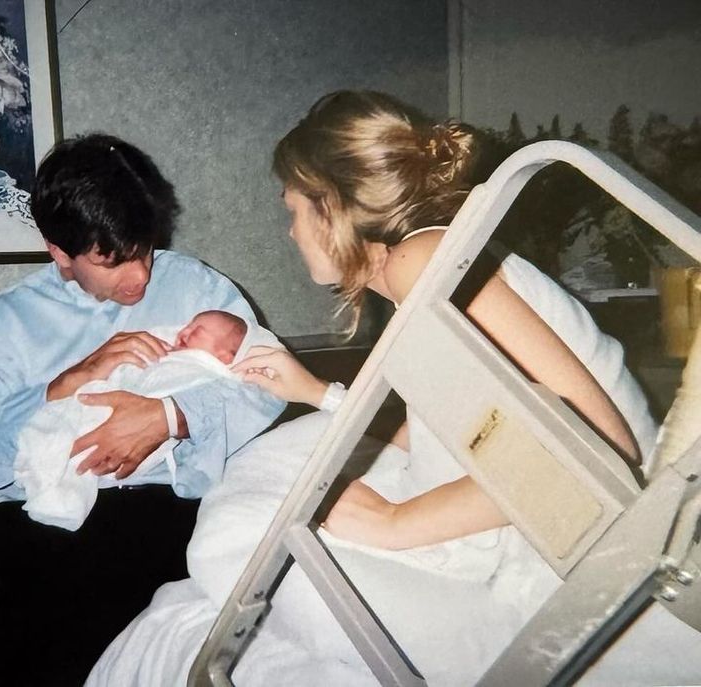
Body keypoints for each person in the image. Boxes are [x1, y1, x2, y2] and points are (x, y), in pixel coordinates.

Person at [0, 134, 285, 685]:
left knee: (81, 635)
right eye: (113, 260)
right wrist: (65, 382)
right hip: (40, 510)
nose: (140, 276)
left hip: (161, 506)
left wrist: (170, 416)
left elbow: (271, 382)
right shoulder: (13, 318)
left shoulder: (194, 286)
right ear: (60, 254)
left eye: (144, 248)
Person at [233, 89, 657, 552]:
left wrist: (393, 523)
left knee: (241, 528)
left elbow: (604, 450)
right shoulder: (421, 268)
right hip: (570, 523)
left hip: (611, 536)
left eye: (291, 209)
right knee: (261, 487)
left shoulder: (421, 261)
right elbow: (450, 432)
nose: (290, 230)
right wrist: (317, 393)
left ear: (330, 208)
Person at [16, 310, 253, 531]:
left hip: (147, 476)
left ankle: (61, 494)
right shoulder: (166, 352)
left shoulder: (208, 373)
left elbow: (184, 392)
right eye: (187, 326)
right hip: (115, 414)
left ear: (224, 356)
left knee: (81, 445)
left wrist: (165, 413)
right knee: (71, 419)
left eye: (196, 331)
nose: (184, 332)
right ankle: (51, 476)